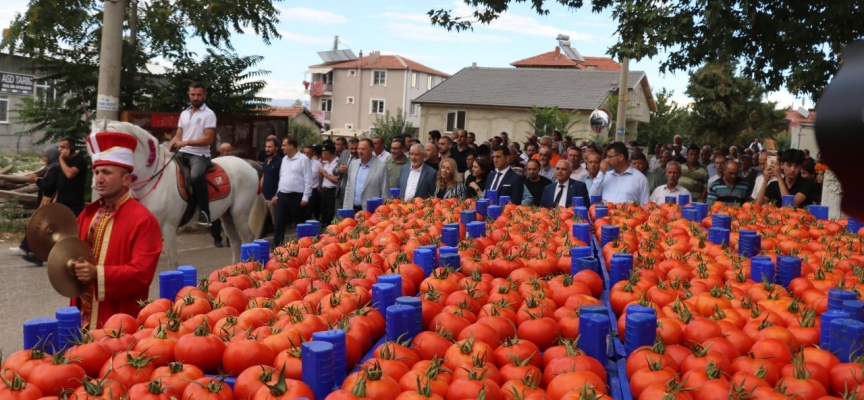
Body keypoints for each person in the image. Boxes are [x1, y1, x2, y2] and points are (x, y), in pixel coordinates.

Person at [72, 131, 162, 331]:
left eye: (107, 172)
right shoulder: (87, 215)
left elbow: (141, 274)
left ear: (127, 180)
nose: (99, 179)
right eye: (96, 172)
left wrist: (96, 273)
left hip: (118, 317)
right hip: (82, 314)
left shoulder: (144, 220)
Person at [169, 82, 217, 226]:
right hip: (182, 153)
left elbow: (209, 139)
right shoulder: (184, 113)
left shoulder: (209, 114)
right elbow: (178, 135)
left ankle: (204, 213)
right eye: (193, 94)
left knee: (195, 176)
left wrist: (186, 142)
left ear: (204, 95)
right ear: (189, 94)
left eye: (199, 95)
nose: (195, 97)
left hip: (199, 155)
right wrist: (173, 142)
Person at [10, 146, 61, 265]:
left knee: (39, 226)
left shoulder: (55, 169)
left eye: (46, 156)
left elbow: (49, 186)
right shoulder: (51, 168)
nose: (44, 158)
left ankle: (29, 249)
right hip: (44, 201)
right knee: (38, 226)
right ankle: (27, 248)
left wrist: (36, 180)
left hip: (49, 202)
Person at [272, 138, 314, 247]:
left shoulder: (303, 159)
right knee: (279, 223)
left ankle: (303, 246)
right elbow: (282, 177)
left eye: (284, 145)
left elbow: (308, 179)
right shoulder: (284, 159)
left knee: (299, 223)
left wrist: (306, 197)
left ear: (292, 146)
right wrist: (277, 194)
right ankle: (277, 247)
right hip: (283, 195)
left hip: (297, 196)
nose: (282, 147)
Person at [344, 138, 389, 211]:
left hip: (371, 212)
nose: (360, 151)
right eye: (359, 149)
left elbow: (384, 193)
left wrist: (381, 213)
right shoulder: (353, 164)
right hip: (352, 209)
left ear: (372, 150)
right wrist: (345, 209)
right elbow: (348, 188)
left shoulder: (381, 167)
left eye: (363, 149)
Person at [56, 137, 88, 216]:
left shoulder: (79, 160)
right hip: (61, 201)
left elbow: (69, 174)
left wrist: (61, 159)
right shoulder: (65, 161)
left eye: (63, 147)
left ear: (71, 148)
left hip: (73, 203)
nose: (60, 149)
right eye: (59, 147)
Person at [211, 142, 233, 247]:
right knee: (216, 218)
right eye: (227, 151)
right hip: (219, 193)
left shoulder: (234, 162)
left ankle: (230, 238)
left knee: (230, 218)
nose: (229, 153)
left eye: (230, 150)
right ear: (221, 152)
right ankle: (217, 239)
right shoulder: (215, 163)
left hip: (231, 193)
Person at [318, 143, 340, 226]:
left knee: (330, 214)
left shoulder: (338, 163)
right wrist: (321, 174)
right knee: (324, 214)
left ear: (328, 153)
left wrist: (326, 174)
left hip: (332, 192)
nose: (322, 155)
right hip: (324, 191)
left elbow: (338, 180)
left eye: (323, 153)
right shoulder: (326, 164)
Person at [335, 138, 358, 210]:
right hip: (339, 192)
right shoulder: (344, 153)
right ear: (347, 147)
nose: (354, 151)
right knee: (338, 217)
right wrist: (338, 170)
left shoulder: (361, 158)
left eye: (356, 148)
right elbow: (334, 171)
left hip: (351, 194)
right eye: (351, 148)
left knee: (347, 217)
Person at [302, 145, 323, 221]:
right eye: (304, 153)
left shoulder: (317, 164)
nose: (306, 155)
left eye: (308, 153)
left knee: (311, 212)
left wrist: (320, 187)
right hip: (301, 190)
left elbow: (321, 177)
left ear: (312, 153)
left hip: (313, 191)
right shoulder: (299, 163)